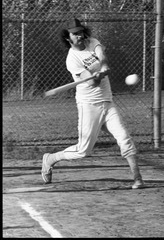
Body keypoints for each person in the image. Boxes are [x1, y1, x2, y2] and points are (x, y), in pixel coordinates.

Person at [41, 18, 144, 189]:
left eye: (81, 32)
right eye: (75, 34)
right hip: (89, 105)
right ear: (68, 38)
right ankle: (50, 159)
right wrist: (98, 77)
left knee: (124, 138)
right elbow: (91, 83)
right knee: (83, 151)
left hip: (107, 102)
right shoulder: (72, 59)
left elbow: (102, 55)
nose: (80, 36)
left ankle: (138, 178)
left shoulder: (92, 42)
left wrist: (103, 66)